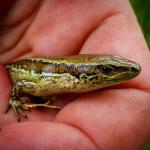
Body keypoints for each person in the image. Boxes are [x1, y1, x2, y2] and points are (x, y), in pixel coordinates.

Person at [0, 0, 150, 149]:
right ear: (81, 75)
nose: (128, 71)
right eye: (107, 70)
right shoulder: (43, 82)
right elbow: (20, 84)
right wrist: (14, 101)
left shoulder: (54, 83)